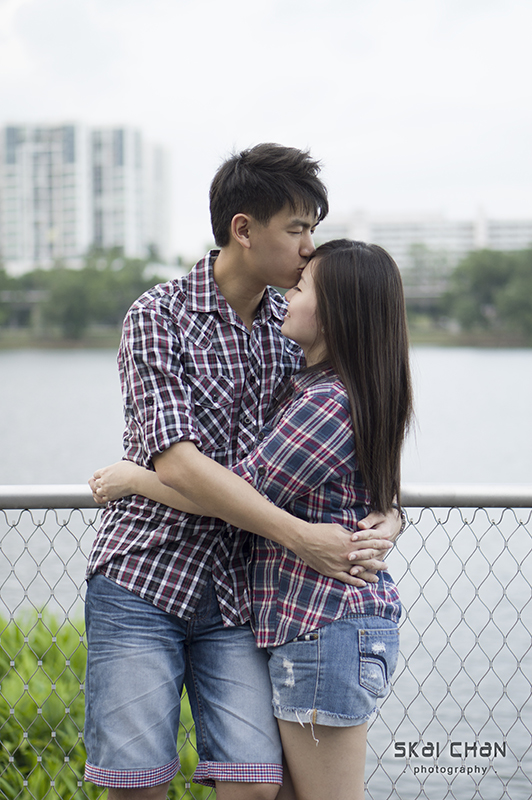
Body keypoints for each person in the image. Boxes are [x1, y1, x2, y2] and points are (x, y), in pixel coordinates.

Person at [84, 144, 402, 800]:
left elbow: (346, 439)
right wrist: (298, 535)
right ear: (243, 229)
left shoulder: (290, 330)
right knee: (137, 783)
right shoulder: (159, 317)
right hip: (145, 574)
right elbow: (179, 464)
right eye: (297, 230)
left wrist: (389, 513)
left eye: (313, 230)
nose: (310, 248)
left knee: (256, 784)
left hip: (240, 591)